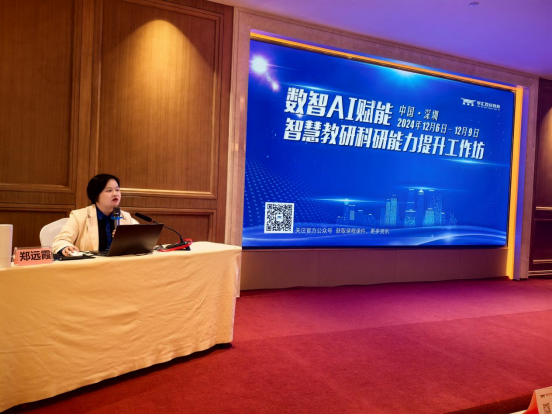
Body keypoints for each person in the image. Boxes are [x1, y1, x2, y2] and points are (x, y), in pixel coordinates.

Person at [52, 174, 134, 256]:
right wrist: (66, 247)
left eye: (117, 190)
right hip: (90, 262)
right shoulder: (79, 216)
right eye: (109, 190)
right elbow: (61, 240)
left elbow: (137, 243)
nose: (115, 194)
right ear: (95, 194)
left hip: (120, 262)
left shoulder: (125, 217)